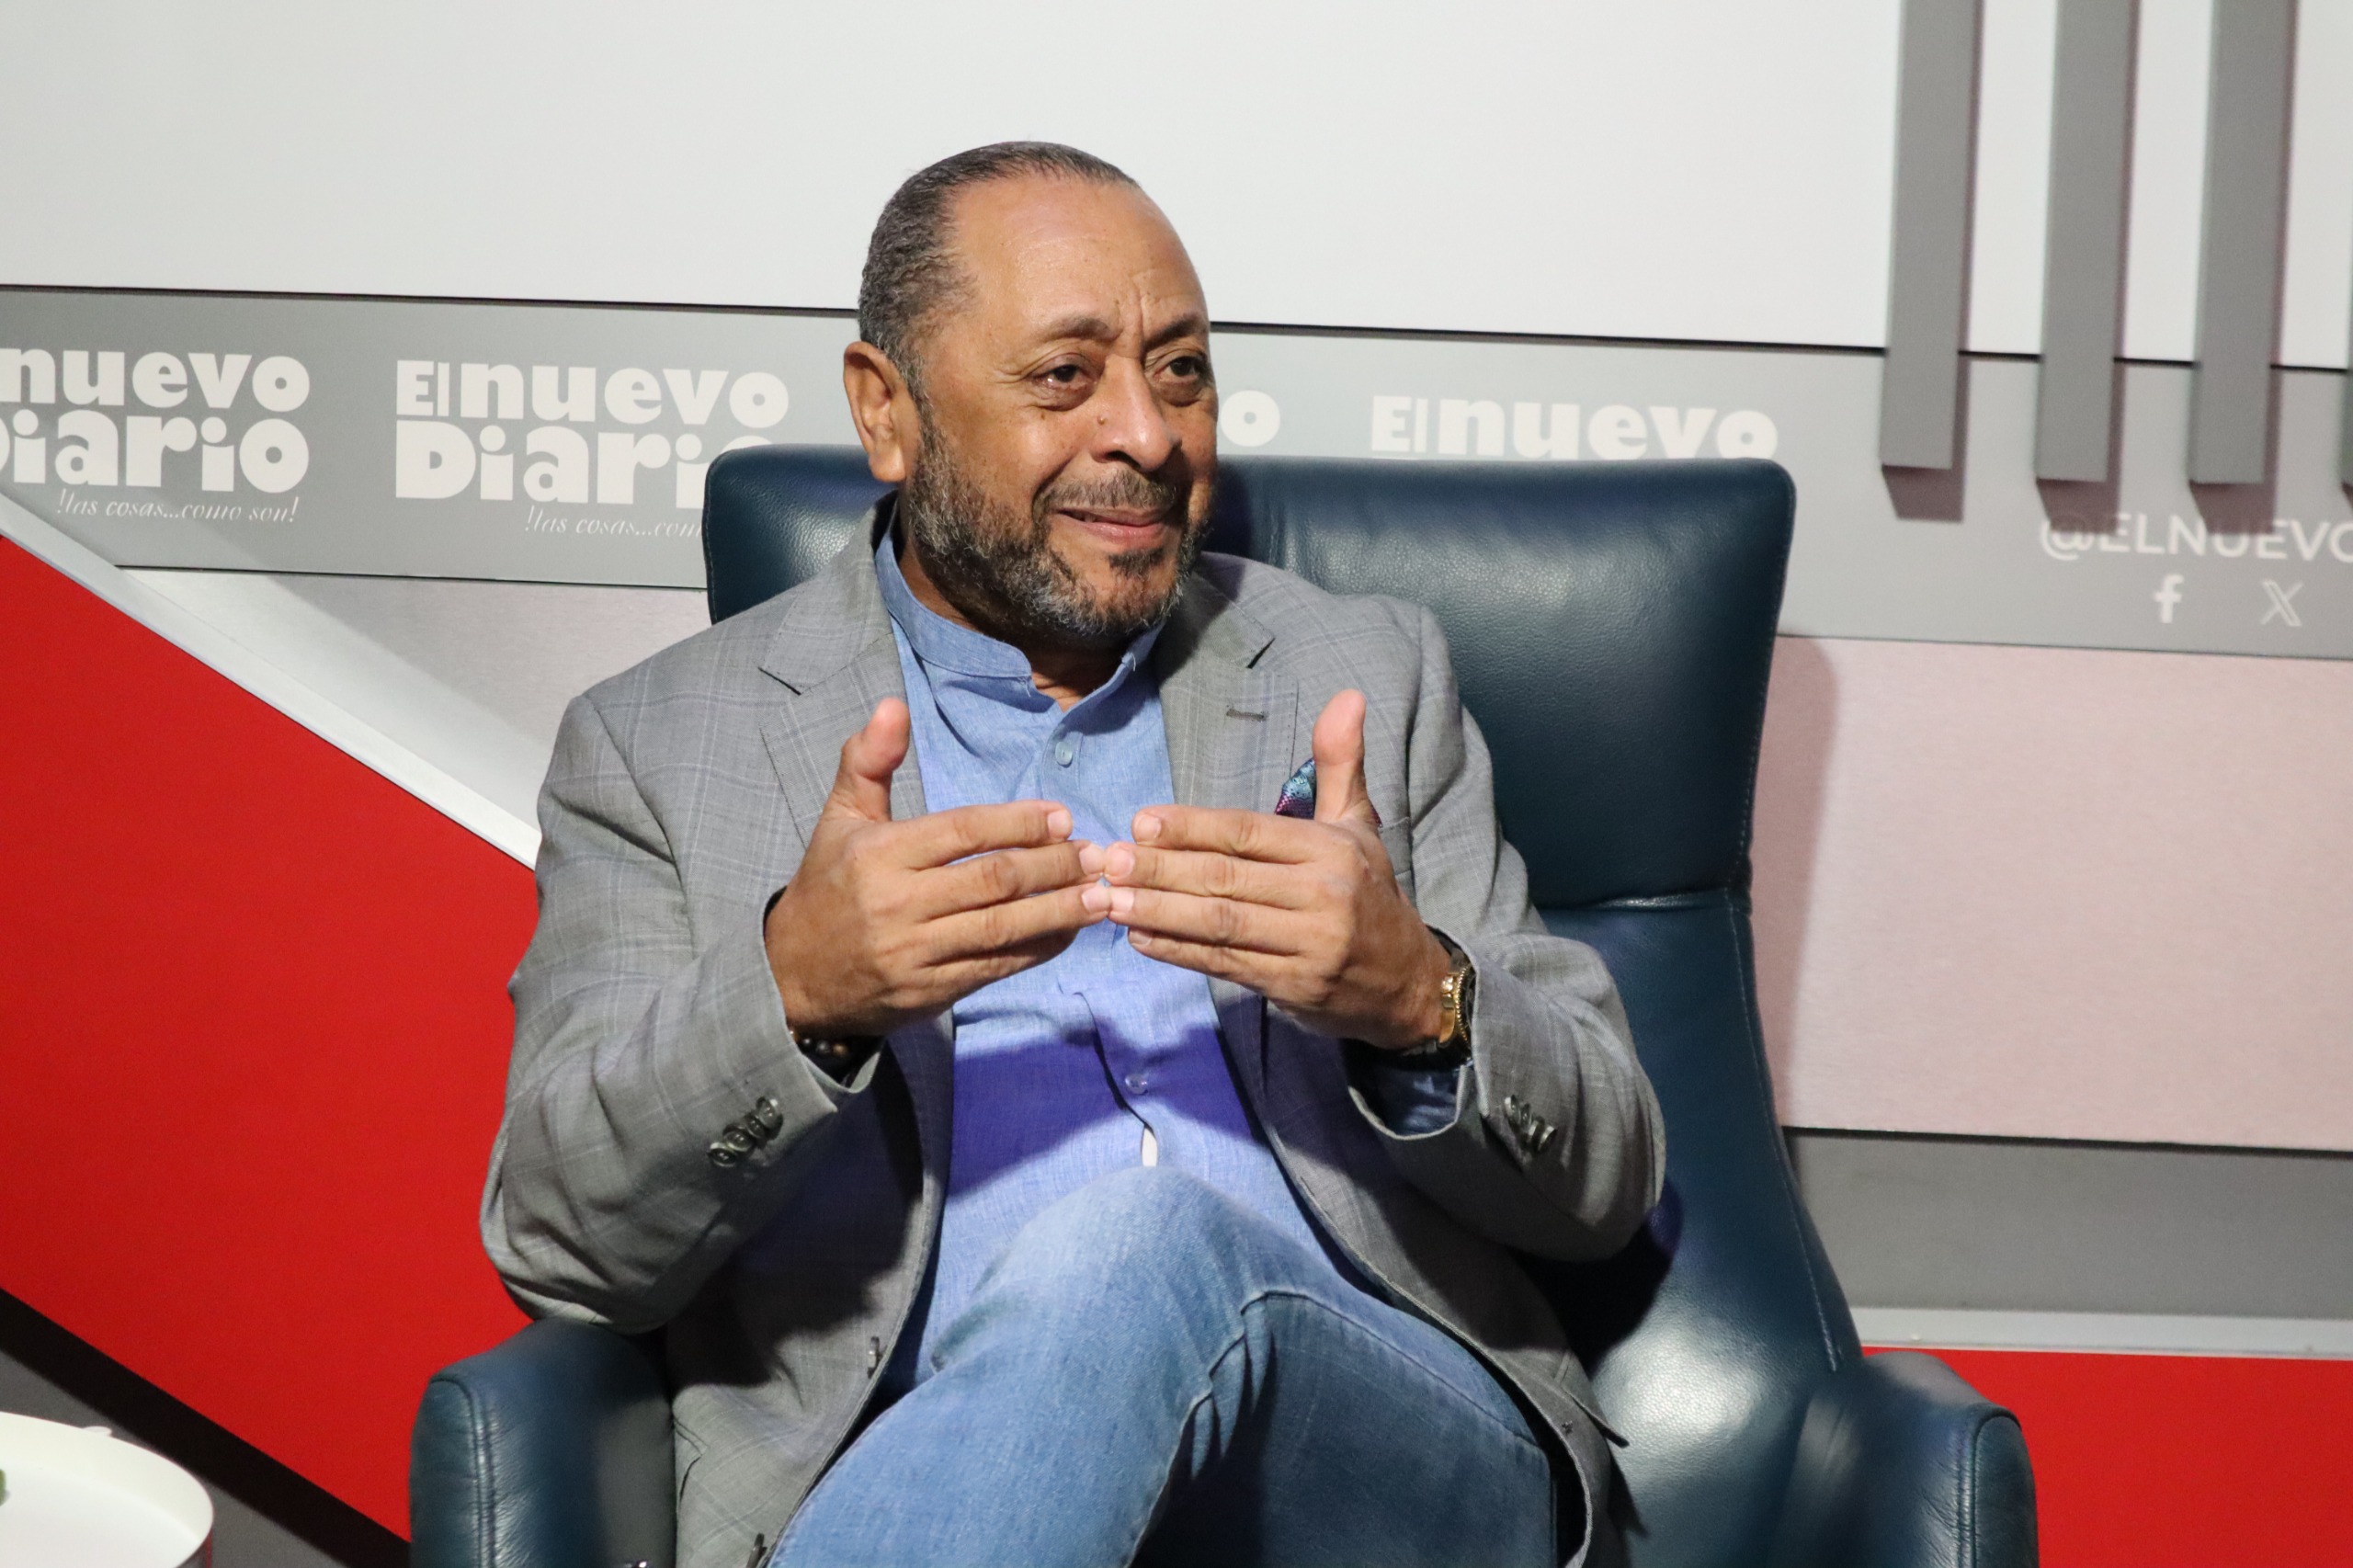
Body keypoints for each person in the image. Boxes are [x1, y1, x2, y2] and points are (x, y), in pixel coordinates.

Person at [483, 142, 1663, 1568]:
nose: (1148, 436)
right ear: (887, 410)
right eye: (1065, 376)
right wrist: (793, 994)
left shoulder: (1363, 674)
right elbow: (561, 1238)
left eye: (1181, 372)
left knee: (1140, 1243)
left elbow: (1606, 1184)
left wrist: (1418, 1000)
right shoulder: (659, 745)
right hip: (911, 1481)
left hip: (1377, 1468)